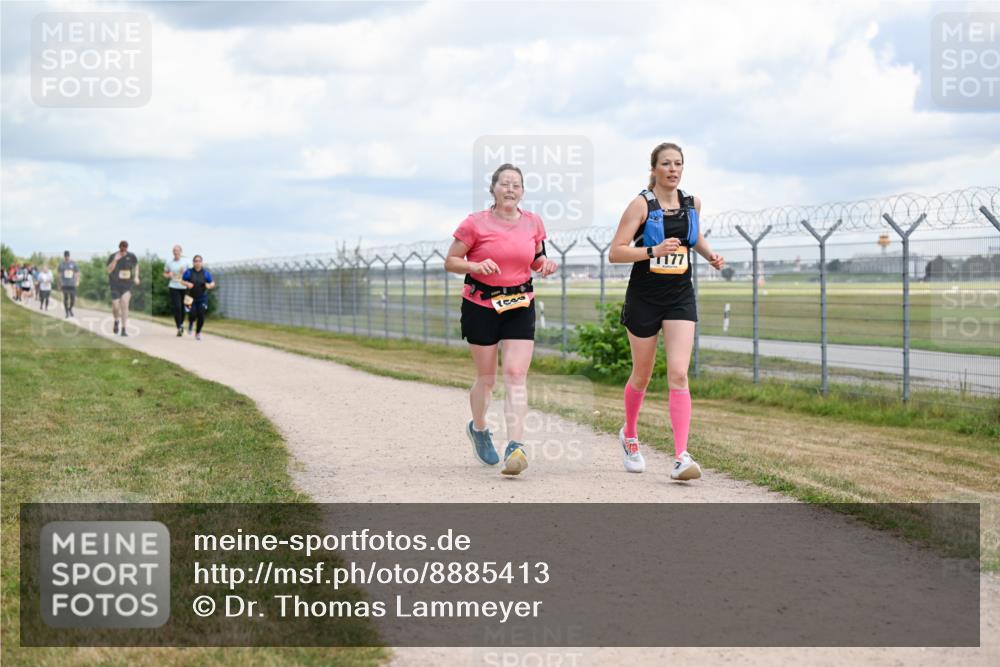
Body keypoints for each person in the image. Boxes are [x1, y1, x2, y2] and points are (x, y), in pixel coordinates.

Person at [609, 142, 725, 481]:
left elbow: (694, 237)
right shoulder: (640, 205)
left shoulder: (693, 203)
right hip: (645, 297)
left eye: (678, 164)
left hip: (679, 297)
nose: (673, 169)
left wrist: (711, 255)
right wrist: (652, 250)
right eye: (666, 164)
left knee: (678, 373)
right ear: (654, 168)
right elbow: (616, 253)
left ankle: (680, 457)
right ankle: (630, 435)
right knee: (642, 375)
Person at [444, 163, 558, 476]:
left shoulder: (533, 222)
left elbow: (536, 256)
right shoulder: (474, 224)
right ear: (493, 188)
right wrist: (476, 267)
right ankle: (479, 429)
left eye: (516, 185)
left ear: (522, 192)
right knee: (488, 378)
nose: (510, 189)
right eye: (504, 184)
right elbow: (451, 261)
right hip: (481, 304)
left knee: (515, 373)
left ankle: (515, 446)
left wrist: (545, 263)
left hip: (520, 302)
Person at [106, 240, 140, 337]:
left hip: (127, 285)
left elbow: (136, 265)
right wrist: (115, 260)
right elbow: (109, 270)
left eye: (125, 247)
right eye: (122, 247)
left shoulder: (131, 256)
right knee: (115, 307)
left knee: (125, 304)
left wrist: (136, 276)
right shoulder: (113, 256)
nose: (124, 249)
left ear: (127, 248)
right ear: (119, 247)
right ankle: (116, 320)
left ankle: (124, 329)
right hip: (115, 284)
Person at [181, 255, 215, 340]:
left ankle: (198, 332)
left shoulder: (206, 273)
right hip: (190, 297)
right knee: (192, 314)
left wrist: (209, 285)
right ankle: (191, 323)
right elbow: (182, 281)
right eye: (196, 261)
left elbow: (212, 283)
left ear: (202, 262)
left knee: (201, 315)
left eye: (199, 261)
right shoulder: (189, 272)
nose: (197, 263)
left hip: (202, 298)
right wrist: (187, 284)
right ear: (193, 262)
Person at [163, 245, 189, 336]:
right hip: (173, 287)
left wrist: (185, 272)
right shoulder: (169, 262)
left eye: (177, 250)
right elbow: (165, 273)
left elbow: (191, 273)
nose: (176, 252)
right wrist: (168, 275)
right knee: (177, 307)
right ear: (172, 252)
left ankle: (182, 324)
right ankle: (179, 326)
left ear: (181, 251)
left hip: (185, 287)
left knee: (184, 307)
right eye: (174, 250)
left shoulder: (186, 261)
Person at [57, 251, 80, 318]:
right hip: (64, 284)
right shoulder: (61, 264)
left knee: (73, 299)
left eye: (67, 256)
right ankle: (66, 312)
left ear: (69, 256)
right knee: (66, 298)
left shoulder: (73, 264)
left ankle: (70, 309)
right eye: (65, 256)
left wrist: (77, 281)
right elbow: (59, 275)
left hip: (72, 284)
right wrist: (59, 284)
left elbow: (77, 273)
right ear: (64, 256)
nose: (66, 257)